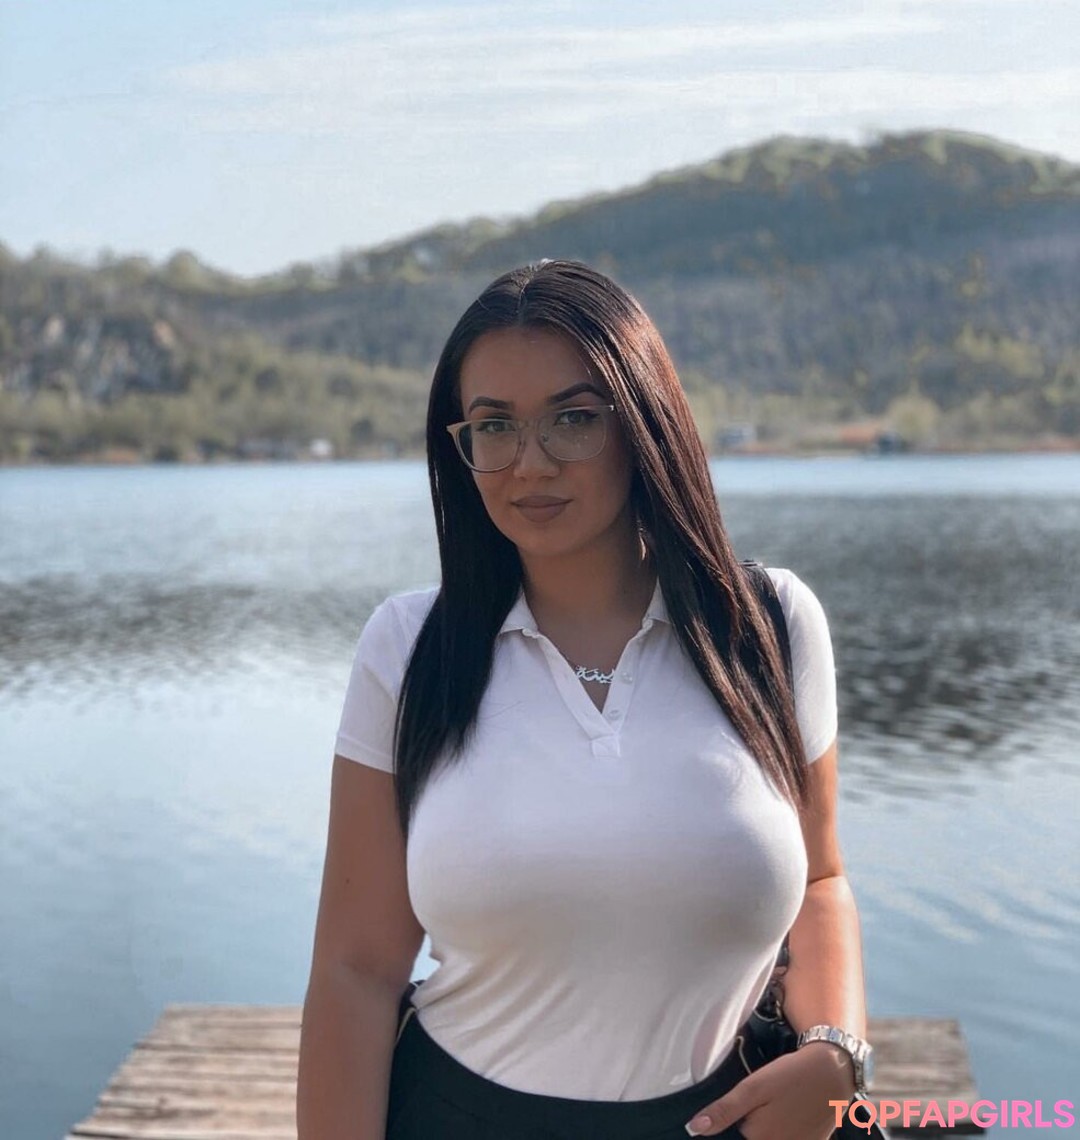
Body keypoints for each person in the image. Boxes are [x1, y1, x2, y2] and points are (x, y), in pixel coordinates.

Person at [296, 260, 870, 1140]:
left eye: (573, 419)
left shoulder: (771, 626)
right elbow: (357, 971)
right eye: (495, 426)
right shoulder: (409, 649)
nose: (531, 464)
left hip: (725, 1119)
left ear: (642, 422)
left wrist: (835, 1054)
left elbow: (821, 881)